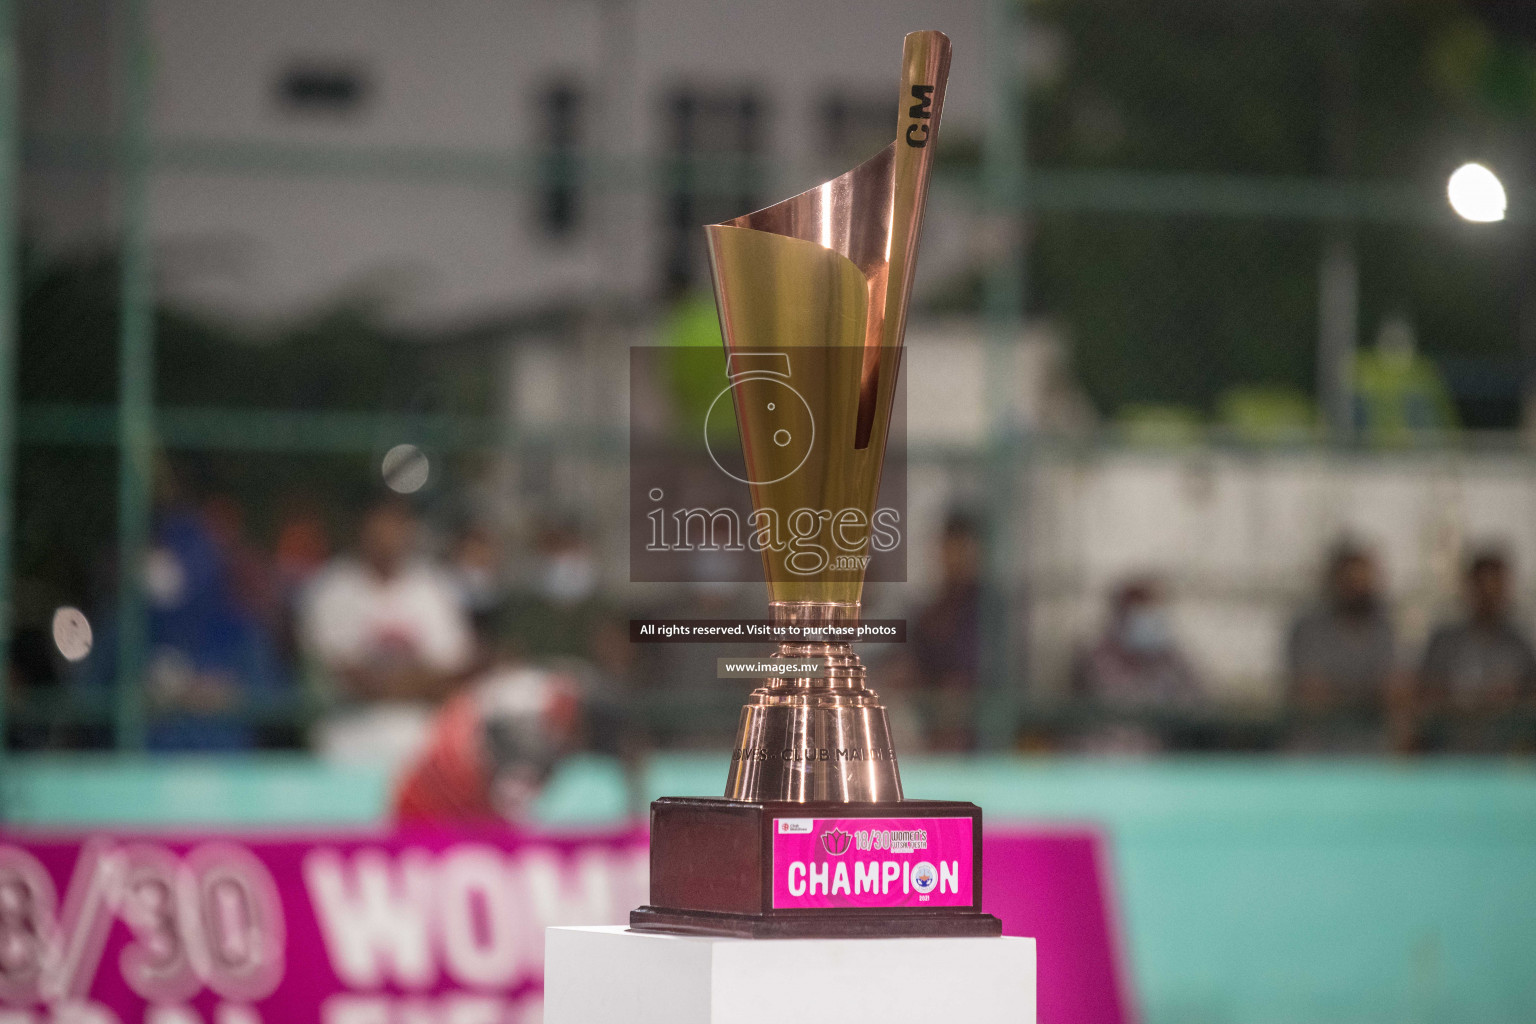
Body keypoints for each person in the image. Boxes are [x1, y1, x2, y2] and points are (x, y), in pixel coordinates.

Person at [300, 497, 476, 765]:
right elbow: (354, 680)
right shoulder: (331, 589)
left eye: (398, 525)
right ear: (361, 528)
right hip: (347, 749)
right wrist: (420, 678)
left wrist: (390, 680)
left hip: (423, 749)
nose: (389, 535)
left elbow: (456, 672)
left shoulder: (433, 586)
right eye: (381, 525)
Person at [1286, 541, 1401, 750]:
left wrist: (1345, 692)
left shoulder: (1384, 629)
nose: (1358, 588)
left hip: (1371, 752)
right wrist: (1369, 694)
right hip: (1316, 752)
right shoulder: (1309, 629)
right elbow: (1312, 695)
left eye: (1364, 580)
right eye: (1351, 581)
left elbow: (1394, 692)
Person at [1417, 549, 1536, 753]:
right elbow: (1421, 695)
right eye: (1483, 587)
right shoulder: (1444, 640)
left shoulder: (1519, 644)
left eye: (1496, 587)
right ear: (1469, 588)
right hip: (1447, 754)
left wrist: (1512, 698)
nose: (1489, 595)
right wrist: (1465, 698)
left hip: (1505, 755)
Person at [1071, 577, 1202, 751]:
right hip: (1103, 757)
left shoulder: (1170, 659)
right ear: (1122, 615)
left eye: (1153, 612)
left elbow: (1196, 705)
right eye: (1140, 613)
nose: (1148, 621)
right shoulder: (1096, 658)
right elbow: (1118, 705)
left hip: (1159, 759)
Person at [907, 512, 984, 750]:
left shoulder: (989, 610)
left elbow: (967, 678)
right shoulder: (930, 612)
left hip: (977, 734)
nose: (955, 557)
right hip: (930, 729)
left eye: (963, 548)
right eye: (950, 548)